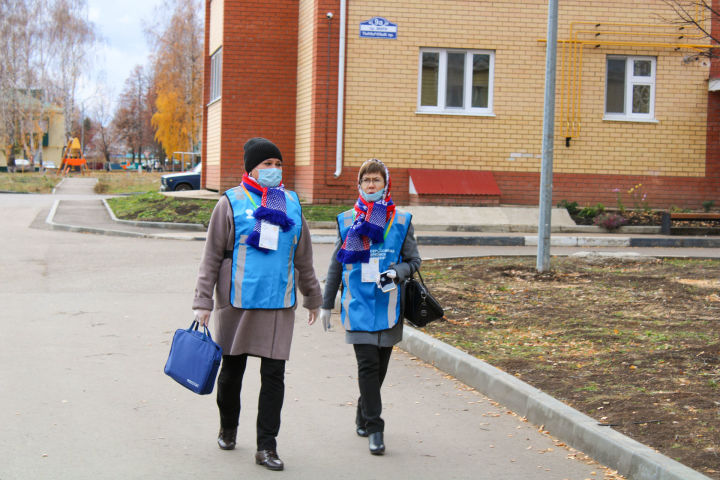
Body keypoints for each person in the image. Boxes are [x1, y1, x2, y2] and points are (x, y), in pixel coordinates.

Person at [192, 137, 322, 471]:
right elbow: (210, 257)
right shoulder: (231, 202)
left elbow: (303, 255)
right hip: (237, 302)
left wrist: (312, 297)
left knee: (274, 375)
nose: (274, 170)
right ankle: (229, 426)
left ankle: (267, 446)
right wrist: (203, 302)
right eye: (267, 164)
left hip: (279, 302)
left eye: (278, 164)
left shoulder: (289, 203)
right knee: (232, 373)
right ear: (251, 167)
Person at [318, 158, 421, 455]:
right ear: (359, 185)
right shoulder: (347, 219)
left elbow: (414, 261)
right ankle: (376, 428)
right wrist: (327, 304)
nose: (372, 185)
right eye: (367, 181)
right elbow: (337, 266)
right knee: (367, 366)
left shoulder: (401, 220)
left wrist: (397, 273)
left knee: (379, 371)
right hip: (358, 304)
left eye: (377, 180)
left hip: (389, 305)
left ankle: (363, 412)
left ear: (385, 184)